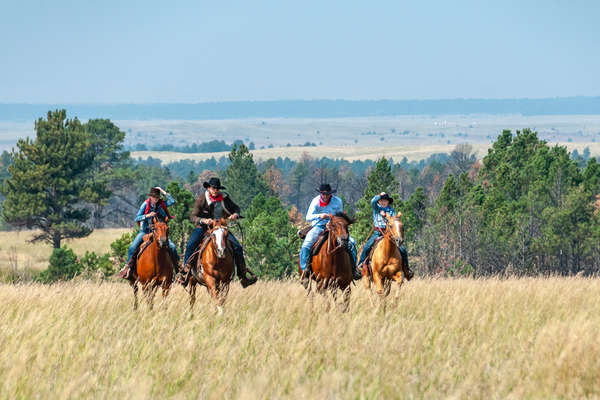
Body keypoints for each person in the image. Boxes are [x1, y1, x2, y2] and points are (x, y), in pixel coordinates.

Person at [179, 177, 257, 288]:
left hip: (220, 228)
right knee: (191, 244)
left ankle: (242, 275)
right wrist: (203, 220)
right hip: (203, 228)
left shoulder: (224, 198)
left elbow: (236, 208)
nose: (215, 190)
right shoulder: (201, 199)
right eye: (213, 188)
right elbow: (192, 216)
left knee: (237, 247)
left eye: (217, 188)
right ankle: (185, 271)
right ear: (209, 188)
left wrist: (235, 214)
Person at [299, 183, 360, 283]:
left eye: (327, 194)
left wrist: (331, 223)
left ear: (331, 194)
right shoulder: (315, 201)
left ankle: (354, 269)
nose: (325, 196)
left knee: (352, 243)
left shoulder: (337, 201)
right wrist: (320, 215)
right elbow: (308, 217)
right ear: (320, 193)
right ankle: (305, 270)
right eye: (323, 194)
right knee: (306, 244)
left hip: (334, 228)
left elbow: (340, 216)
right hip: (318, 227)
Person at [120, 187, 180, 280]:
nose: (155, 199)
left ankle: (178, 269)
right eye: (154, 197)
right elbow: (137, 218)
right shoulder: (145, 204)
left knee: (172, 247)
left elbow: (172, 201)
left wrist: (162, 191)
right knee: (133, 246)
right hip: (145, 231)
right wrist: (148, 215)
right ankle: (128, 268)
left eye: (157, 197)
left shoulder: (161, 204)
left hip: (158, 232)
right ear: (150, 197)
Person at [357, 192, 413, 280]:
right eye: (381, 201)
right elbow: (372, 201)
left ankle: (406, 269)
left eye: (385, 201)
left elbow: (393, 222)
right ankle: (360, 265)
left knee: (402, 249)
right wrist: (379, 195)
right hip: (378, 232)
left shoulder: (391, 210)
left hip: (390, 233)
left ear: (388, 202)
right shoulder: (376, 208)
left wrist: (387, 216)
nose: (383, 202)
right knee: (367, 246)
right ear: (379, 201)